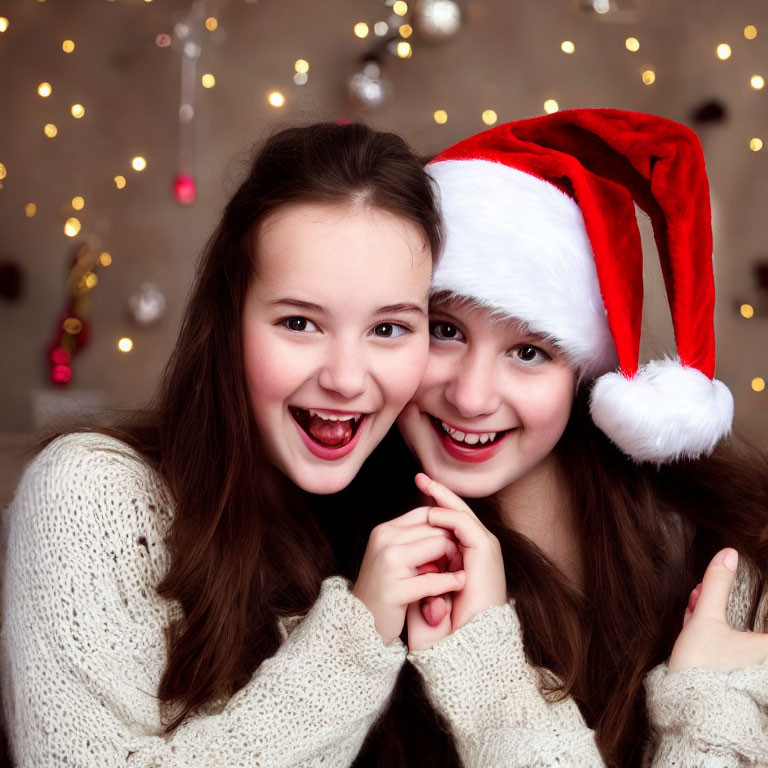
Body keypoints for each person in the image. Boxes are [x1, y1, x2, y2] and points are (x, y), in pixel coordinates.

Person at [1, 122, 468, 767]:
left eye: (389, 328)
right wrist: (354, 641)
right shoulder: (90, 493)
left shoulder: (414, 518)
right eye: (299, 322)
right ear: (229, 322)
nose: (345, 378)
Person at [395, 109, 768, 767]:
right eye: (444, 329)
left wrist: (715, 695)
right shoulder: (343, 561)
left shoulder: (723, 548)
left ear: (583, 374)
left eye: (530, 351)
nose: (472, 396)